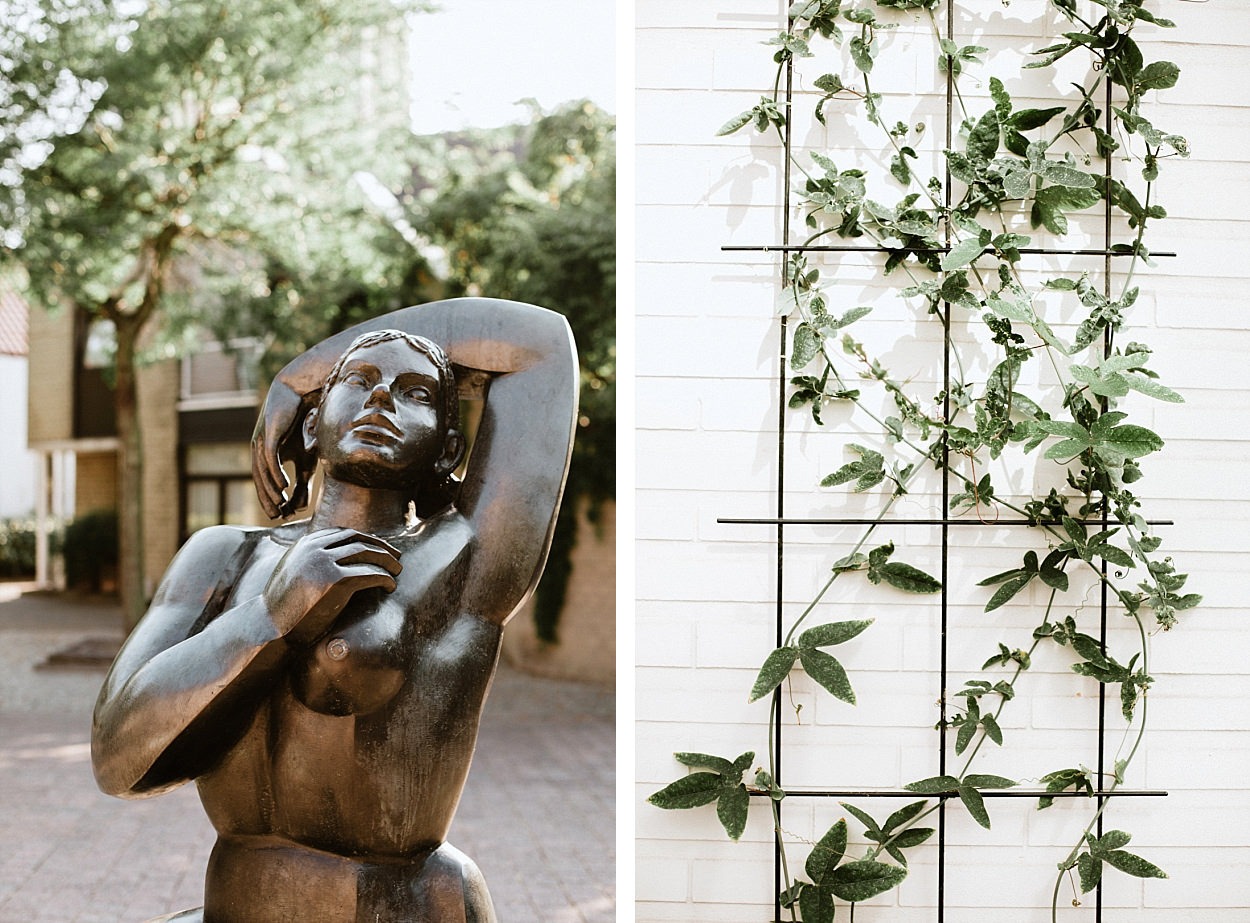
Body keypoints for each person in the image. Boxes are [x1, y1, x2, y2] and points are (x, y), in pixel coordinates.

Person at [91, 298, 578, 922]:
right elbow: (117, 758)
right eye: (358, 380)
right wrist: (270, 619)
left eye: (415, 393)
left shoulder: (464, 560)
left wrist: (298, 373)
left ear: (448, 448)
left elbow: (538, 344)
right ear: (314, 423)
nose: (381, 401)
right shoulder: (223, 556)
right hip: (235, 907)